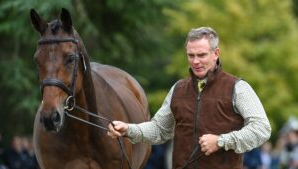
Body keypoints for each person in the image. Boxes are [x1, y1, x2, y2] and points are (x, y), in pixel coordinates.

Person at [108, 27, 271, 169]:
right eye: (191, 55)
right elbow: (159, 130)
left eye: (201, 55)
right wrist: (129, 129)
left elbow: (262, 128)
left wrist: (221, 141)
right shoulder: (178, 89)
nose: (195, 61)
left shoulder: (238, 88)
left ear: (216, 53)